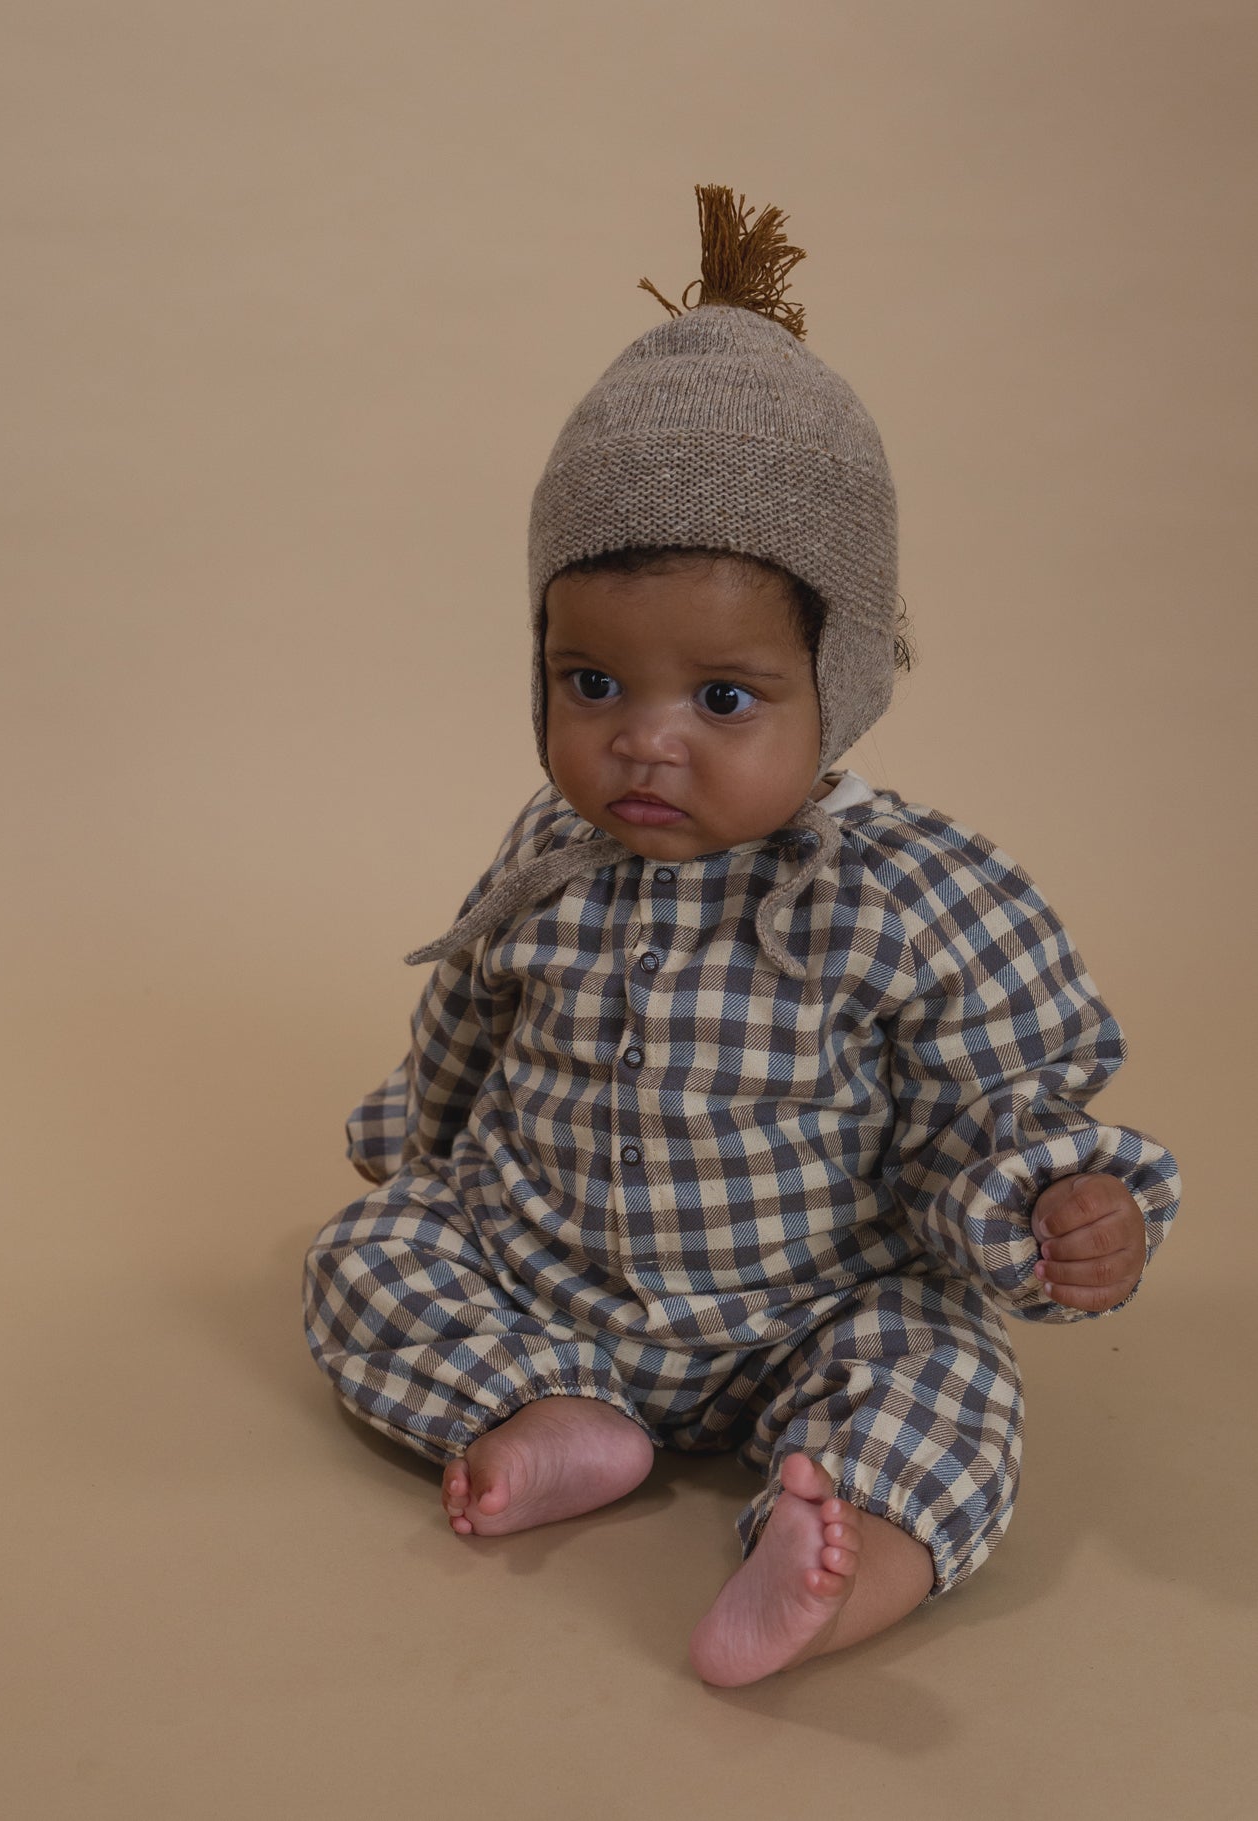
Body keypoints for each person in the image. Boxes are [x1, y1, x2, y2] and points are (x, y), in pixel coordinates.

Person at [301, 185, 1181, 1686]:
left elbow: (985, 1105)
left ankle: (846, 1553)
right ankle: (548, 1412)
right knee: (364, 1259)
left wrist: (1050, 1207)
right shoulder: (545, 854)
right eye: (590, 684)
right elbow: (466, 1016)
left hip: (807, 1300)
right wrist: (421, 1147)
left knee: (943, 1367)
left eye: (720, 697)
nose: (643, 744)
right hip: (545, 1268)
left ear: (836, 684)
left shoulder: (903, 892)